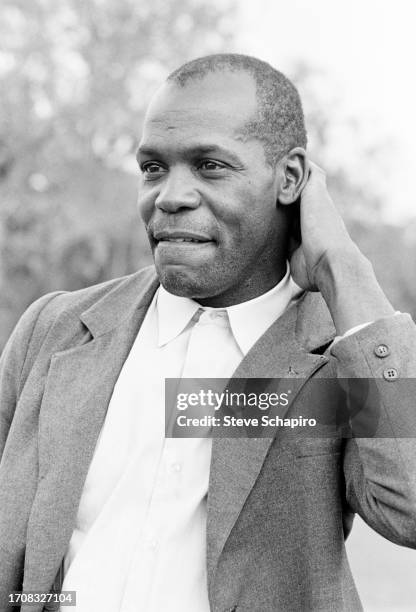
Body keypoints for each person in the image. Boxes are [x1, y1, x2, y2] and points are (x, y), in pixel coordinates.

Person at [1, 53, 415, 612]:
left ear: (289, 178)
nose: (169, 195)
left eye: (210, 166)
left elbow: (408, 505)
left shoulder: (334, 359)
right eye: (153, 167)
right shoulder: (55, 330)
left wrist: (343, 269)